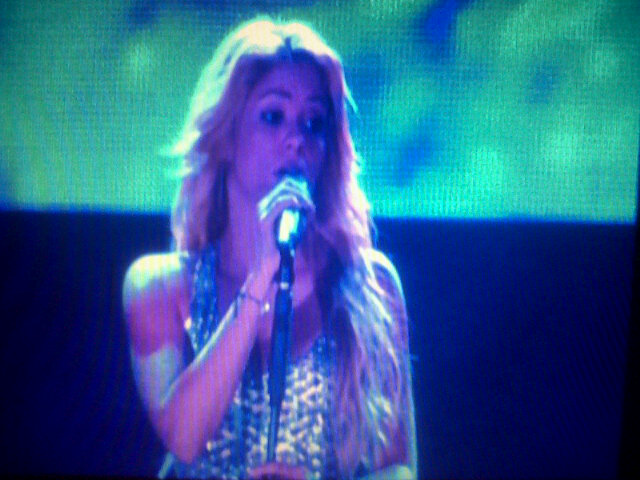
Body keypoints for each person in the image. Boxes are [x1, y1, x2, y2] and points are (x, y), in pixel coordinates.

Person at [122, 17, 416, 480]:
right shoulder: (159, 286)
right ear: (226, 136)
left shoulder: (370, 286)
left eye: (314, 123)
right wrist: (262, 275)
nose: (296, 140)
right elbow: (184, 437)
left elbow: (398, 469)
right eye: (273, 116)